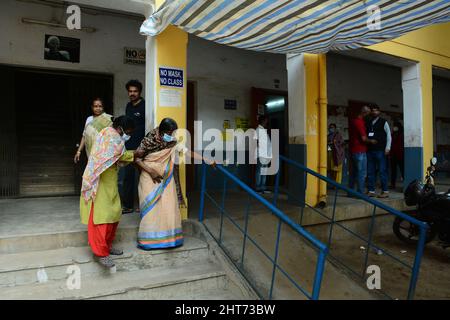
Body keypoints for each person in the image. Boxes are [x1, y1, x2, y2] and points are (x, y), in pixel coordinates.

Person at [134, 118, 213, 250]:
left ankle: (169, 239)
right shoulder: (148, 140)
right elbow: (137, 158)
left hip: (165, 177)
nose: (171, 135)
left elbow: (187, 152)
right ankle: (148, 240)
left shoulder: (171, 141)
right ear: (161, 130)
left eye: (173, 133)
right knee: (151, 209)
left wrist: (206, 159)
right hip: (149, 176)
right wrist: (151, 171)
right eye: (169, 132)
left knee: (168, 206)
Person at [80, 116, 136, 269]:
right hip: (100, 180)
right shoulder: (112, 136)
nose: (128, 135)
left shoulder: (109, 133)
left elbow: (117, 158)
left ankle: (107, 246)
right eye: (128, 132)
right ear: (121, 128)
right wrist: (135, 154)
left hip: (110, 179)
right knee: (102, 217)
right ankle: (101, 253)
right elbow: (120, 155)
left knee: (114, 213)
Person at [120, 80, 146, 214]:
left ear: (139, 92)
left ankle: (143, 205)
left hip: (142, 149)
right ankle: (128, 205)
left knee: (143, 177)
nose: (132, 93)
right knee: (128, 177)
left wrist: (144, 147)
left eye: (135, 91)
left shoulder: (145, 106)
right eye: (130, 91)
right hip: (129, 148)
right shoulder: (128, 106)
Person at [348, 106, 377, 195]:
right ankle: (360, 193)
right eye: (368, 113)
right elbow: (364, 139)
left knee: (353, 173)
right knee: (362, 173)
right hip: (360, 151)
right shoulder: (360, 123)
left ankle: (350, 192)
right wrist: (372, 141)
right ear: (364, 113)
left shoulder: (353, 121)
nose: (368, 116)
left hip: (353, 150)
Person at [74, 98, 112, 163]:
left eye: (100, 106)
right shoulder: (89, 119)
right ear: (92, 107)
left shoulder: (108, 119)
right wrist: (79, 151)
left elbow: (112, 137)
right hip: (91, 151)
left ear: (103, 107)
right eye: (95, 106)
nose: (98, 108)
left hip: (103, 152)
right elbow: (84, 136)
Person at [366, 105, 392, 198]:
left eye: (376, 111)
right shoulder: (369, 122)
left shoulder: (383, 122)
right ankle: (371, 191)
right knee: (370, 171)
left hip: (381, 150)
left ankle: (385, 191)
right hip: (370, 151)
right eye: (373, 111)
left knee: (382, 171)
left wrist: (387, 148)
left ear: (379, 112)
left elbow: (389, 135)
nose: (374, 112)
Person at [254, 115, 272, 194]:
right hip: (261, 154)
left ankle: (263, 188)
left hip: (266, 155)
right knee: (259, 171)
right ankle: (258, 188)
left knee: (264, 171)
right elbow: (256, 142)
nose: (267, 122)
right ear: (263, 121)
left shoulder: (264, 130)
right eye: (266, 120)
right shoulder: (258, 130)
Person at [390, 120, 404, 190]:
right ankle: (392, 184)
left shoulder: (402, 134)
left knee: (402, 170)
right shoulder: (392, 134)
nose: (394, 127)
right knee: (393, 171)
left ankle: (405, 184)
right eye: (393, 126)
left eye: (395, 126)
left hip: (400, 155)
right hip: (393, 155)